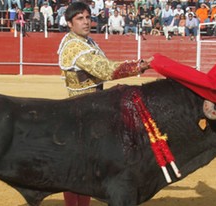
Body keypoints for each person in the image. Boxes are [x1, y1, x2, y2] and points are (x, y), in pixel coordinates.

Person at [57, 3, 150, 205]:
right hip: (81, 113)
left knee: (87, 167)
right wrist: (138, 66)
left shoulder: (85, 41)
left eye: (88, 17)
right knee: (80, 168)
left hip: (93, 109)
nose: (86, 21)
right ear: (69, 23)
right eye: (80, 18)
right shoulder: (75, 46)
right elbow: (105, 70)